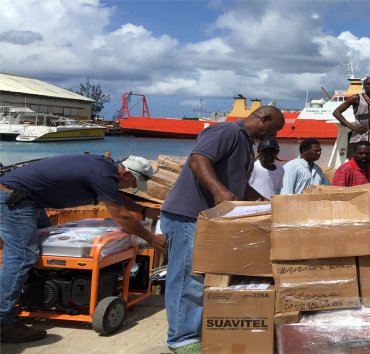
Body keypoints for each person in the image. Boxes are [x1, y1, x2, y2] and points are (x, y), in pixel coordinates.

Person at [0, 154, 167, 343]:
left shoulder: (104, 169)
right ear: (126, 173)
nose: (132, 188)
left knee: (43, 251)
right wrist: (151, 239)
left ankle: (36, 297)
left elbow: (115, 196)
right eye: (132, 183)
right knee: (22, 256)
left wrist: (143, 210)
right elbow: (121, 216)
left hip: (30, 199)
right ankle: (4, 321)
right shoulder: (103, 174)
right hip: (15, 199)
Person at [159, 106, 285, 353]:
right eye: (276, 128)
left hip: (208, 219)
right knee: (187, 278)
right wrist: (218, 191)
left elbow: (238, 185)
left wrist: (265, 203)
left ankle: (191, 329)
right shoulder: (227, 131)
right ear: (265, 119)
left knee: (201, 277)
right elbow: (198, 161)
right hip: (188, 215)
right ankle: (181, 339)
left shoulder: (246, 145)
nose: (276, 134)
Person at [332, 77, 370, 170]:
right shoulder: (356, 98)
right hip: (358, 140)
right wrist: (352, 127)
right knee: (354, 166)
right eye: (368, 84)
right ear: (363, 86)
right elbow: (336, 112)